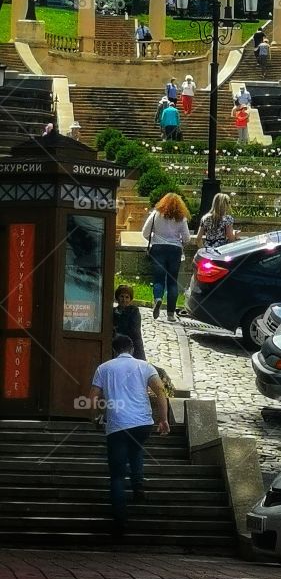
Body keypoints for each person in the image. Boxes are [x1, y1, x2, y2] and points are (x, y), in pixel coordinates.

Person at [88, 334, 169, 535]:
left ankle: (120, 519)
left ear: (114, 350)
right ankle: (138, 485)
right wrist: (163, 419)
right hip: (142, 422)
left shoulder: (104, 368)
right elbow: (160, 392)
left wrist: (96, 417)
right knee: (137, 448)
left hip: (117, 425)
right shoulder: (145, 366)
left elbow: (92, 398)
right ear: (131, 348)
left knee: (116, 475)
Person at [142, 193, 191, 322]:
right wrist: (178, 241)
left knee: (158, 279)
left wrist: (154, 240)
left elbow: (145, 232)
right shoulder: (181, 217)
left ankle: (158, 298)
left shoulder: (155, 214)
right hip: (175, 250)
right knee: (172, 281)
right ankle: (170, 314)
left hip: (158, 248)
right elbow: (187, 238)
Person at [112, 284, 146, 361]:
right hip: (116, 345)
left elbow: (134, 330)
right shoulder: (113, 311)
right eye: (122, 296)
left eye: (127, 297)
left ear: (130, 299)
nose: (124, 300)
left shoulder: (134, 311)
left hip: (133, 344)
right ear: (117, 297)